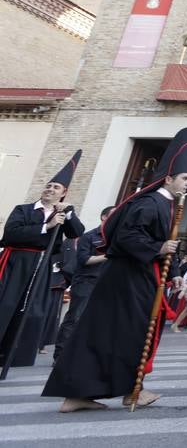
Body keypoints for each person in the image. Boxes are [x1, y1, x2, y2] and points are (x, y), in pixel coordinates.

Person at [43, 130, 187, 412]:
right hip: (128, 279)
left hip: (139, 277)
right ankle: (110, 391)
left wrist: (170, 266)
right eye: (185, 178)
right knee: (125, 333)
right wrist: (159, 249)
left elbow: (163, 243)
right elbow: (126, 238)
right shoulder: (149, 203)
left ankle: (115, 390)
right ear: (169, 177)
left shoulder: (166, 205)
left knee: (123, 333)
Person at [0, 150, 85, 370]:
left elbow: (77, 232)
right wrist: (46, 227)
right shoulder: (24, 210)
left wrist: (69, 214)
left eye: (56, 187)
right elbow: (10, 234)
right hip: (16, 261)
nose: (50, 189)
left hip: (42, 265)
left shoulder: (62, 213)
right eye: (48, 185)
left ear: (63, 193)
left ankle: (15, 354)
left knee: (32, 309)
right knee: (6, 304)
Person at [53, 205, 113, 360]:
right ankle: (60, 356)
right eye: (113, 215)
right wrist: (109, 255)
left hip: (106, 284)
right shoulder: (89, 236)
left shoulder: (117, 238)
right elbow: (84, 260)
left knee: (98, 321)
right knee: (75, 318)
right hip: (86, 282)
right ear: (104, 217)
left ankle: (83, 355)